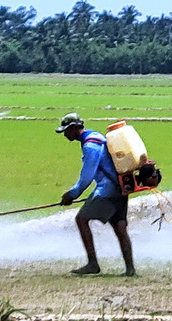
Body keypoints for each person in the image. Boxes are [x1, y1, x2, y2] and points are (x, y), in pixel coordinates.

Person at [56, 113, 135, 276]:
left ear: (74, 128)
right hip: (120, 187)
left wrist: (73, 194)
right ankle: (130, 269)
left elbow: (87, 175)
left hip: (108, 189)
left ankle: (93, 264)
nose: (65, 135)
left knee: (81, 219)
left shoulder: (90, 146)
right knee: (120, 227)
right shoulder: (96, 136)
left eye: (66, 131)